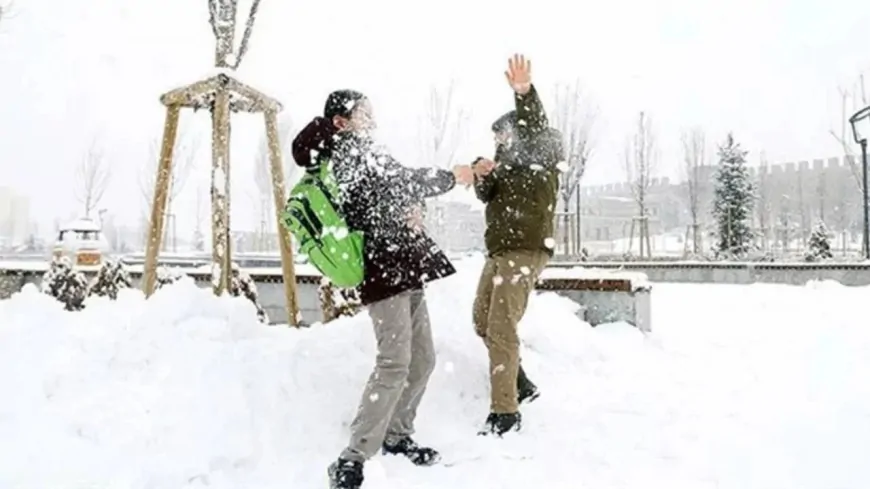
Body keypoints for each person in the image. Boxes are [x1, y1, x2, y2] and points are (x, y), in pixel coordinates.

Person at [291, 89, 476, 489]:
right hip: (382, 267)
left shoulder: (366, 150)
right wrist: (452, 177)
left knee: (423, 358)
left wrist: (415, 210)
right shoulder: (343, 151)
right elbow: (400, 181)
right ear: (342, 120)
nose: (372, 118)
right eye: (363, 112)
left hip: (405, 263)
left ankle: (397, 435)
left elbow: (397, 190)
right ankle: (352, 457)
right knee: (394, 361)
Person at [469, 54, 564, 436]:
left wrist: (523, 93)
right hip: (500, 252)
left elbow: (535, 125)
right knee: (482, 321)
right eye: (496, 139)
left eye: (503, 136)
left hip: (525, 250)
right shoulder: (505, 165)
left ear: (518, 131)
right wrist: (481, 172)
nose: (499, 142)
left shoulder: (542, 150)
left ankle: (505, 412)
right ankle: (520, 382)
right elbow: (485, 194)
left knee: (502, 326)